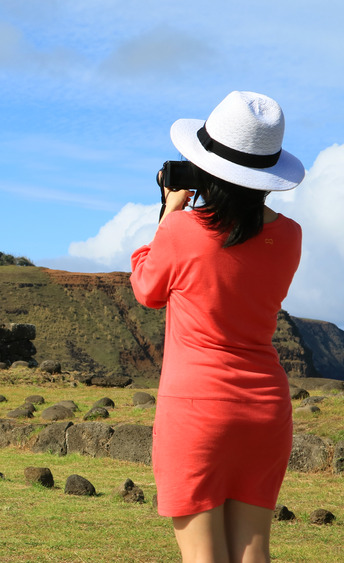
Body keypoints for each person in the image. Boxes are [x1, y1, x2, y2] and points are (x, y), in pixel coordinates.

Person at [130, 91, 305, 563]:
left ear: (207, 168)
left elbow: (147, 290)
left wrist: (169, 213)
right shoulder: (289, 236)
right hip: (265, 404)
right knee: (253, 552)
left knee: (203, 556)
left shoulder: (183, 230)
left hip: (196, 407)